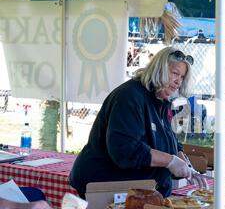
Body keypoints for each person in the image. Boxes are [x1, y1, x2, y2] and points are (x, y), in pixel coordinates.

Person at [69, 47, 208, 199]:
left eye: (182, 77)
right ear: (159, 69)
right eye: (175, 73)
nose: (178, 82)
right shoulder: (129, 96)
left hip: (140, 189)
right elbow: (125, 149)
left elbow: (167, 138)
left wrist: (181, 158)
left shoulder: (161, 100)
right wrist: (170, 161)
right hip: (105, 187)